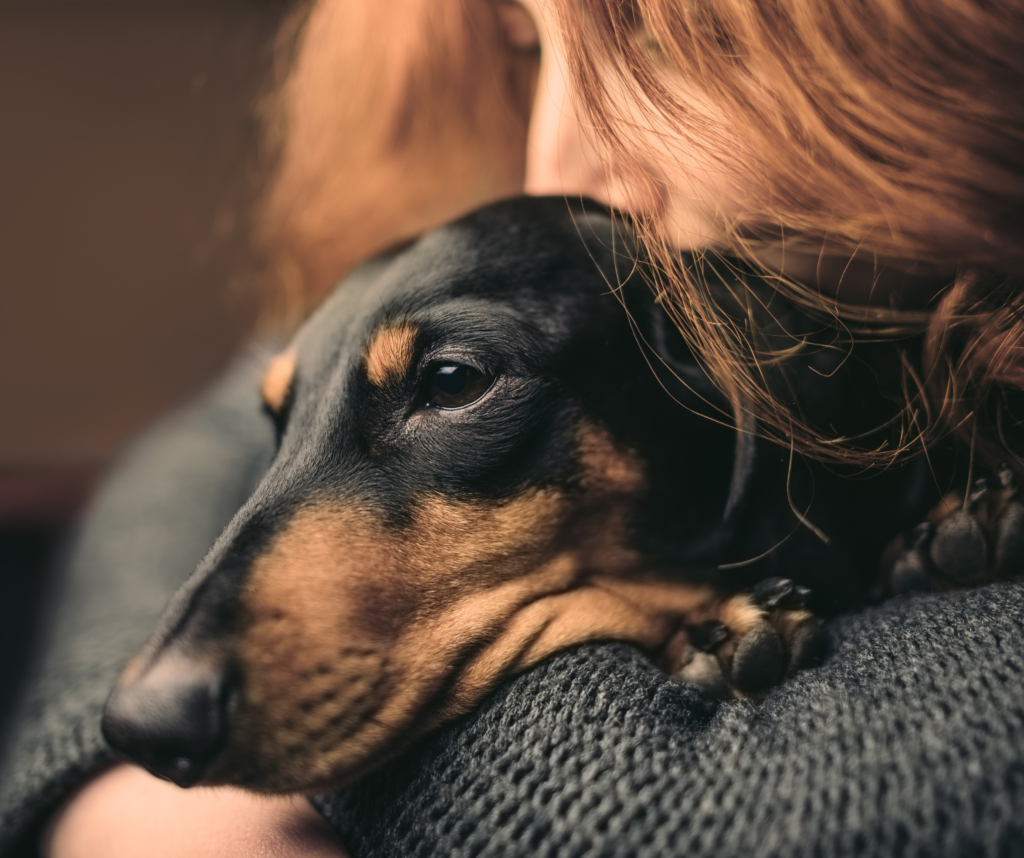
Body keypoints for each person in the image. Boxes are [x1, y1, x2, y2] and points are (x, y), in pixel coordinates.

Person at [2, 0, 1023, 854]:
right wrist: (110, 788)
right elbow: (216, 431)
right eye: (530, 48)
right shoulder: (611, 271)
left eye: (677, 41)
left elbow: (699, 808)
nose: (551, 165)